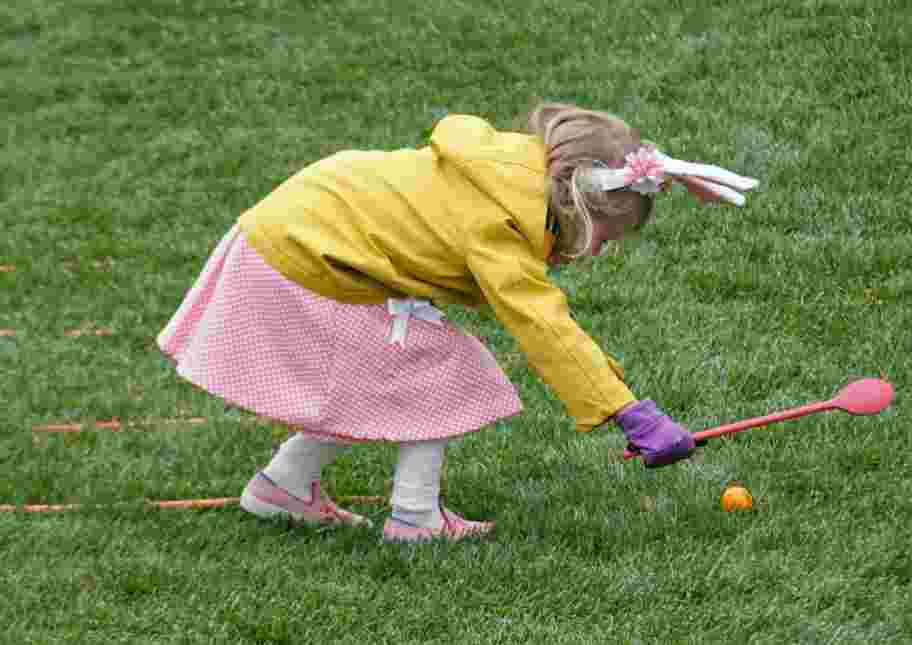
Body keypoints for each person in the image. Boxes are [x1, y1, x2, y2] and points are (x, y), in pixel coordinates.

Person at [156, 102, 758, 543]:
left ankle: (283, 488)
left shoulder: (518, 175)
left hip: (304, 237)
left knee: (377, 373)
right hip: (302, 254)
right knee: (443, 370)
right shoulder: (500, 225)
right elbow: (546, 330)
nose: (601, 250)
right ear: (577, 204)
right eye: (606, 236)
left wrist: (666, 173)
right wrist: (630, 412)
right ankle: (415, 519)